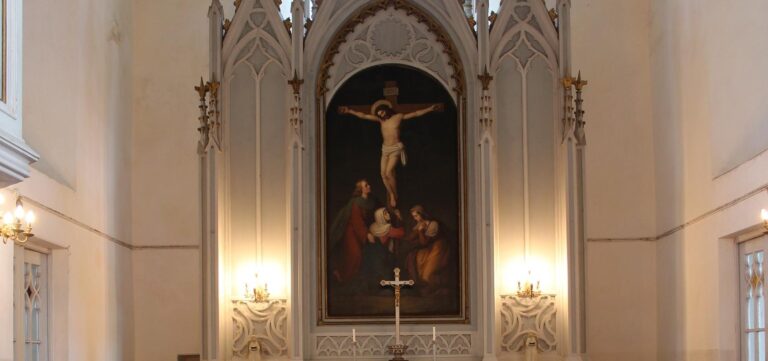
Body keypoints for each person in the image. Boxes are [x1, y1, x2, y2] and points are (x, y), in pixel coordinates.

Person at [339, 100, 439, 208]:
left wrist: (430, 109)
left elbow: (415, 114)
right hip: (385, 149)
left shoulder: (398, 117)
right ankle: (392, 194)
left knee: (389, 171)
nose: (380, 115)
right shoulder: (381, 121)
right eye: (378, 114)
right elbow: (364, 116)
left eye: (381, 112)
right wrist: (349, 111)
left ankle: (394, 196)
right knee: (383, 174)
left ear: (386, 109)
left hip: (395, 148)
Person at [328, 179, 377, 284]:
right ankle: (342, 276)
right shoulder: (356, 203)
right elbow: (357, 221)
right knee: (356, 254)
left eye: (368, 184)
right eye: (366, 185)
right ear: (361, 189)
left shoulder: (371, 201)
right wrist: (367, 234)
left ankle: (354, 279)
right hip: (351, 231)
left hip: (362, 230)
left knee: (365, 254)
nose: (369, 186)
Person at [405, 205, 451, 295]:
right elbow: (410, 238)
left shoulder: (433, 224)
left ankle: (434, 287)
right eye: (413, 216)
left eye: (416, 216)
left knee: (428, 273)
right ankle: (423, 286)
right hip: (429, 247)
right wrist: (416, 231)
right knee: (414, 257)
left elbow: (424, 243)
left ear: (422, 214)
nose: (415, 218)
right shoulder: (420, 224)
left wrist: (421, 231)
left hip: (439, 247)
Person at [362, 207, 405, 284]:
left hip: (372, 256)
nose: (388, 214)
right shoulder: (387, 228)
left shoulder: (373, 227)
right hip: (381, 256)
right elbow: (401, 233)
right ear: (380, 216)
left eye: (387, 213)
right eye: (385, 213)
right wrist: (399, 218)